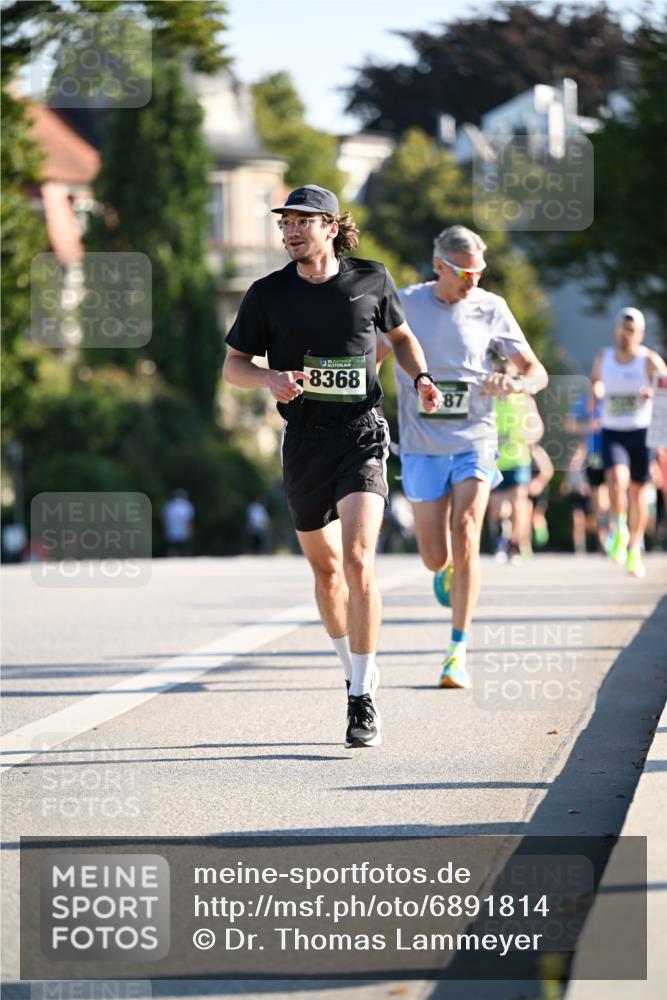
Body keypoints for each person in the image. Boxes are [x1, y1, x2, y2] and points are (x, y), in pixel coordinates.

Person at [223, 184, 442, 748]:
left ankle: (361, 695)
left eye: (300, 222)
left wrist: (420, 378)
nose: (290, 232)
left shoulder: (371, 279)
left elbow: (402, 337)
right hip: (304, 441)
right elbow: (234, 366)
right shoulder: (267, 294)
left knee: (359, 558)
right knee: (325, 571)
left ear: (330, 226)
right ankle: (351, 664)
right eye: (284, 224)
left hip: (363, 433)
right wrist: (269, 378)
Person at [378, 225, 548, 688]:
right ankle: (445, 569)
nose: (473, 280)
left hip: (476, 438)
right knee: (435, 556)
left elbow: (536, 371)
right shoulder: (407, 302)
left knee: (468, 532)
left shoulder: (491, 308)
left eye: (479, 271)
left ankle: (457, 651)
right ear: (439, 266)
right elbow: (373, 355)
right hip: (420, 446)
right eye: (462, 272)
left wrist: (513, 382)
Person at [592, 307, 667, 578]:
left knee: (638, 494)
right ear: (616, 331)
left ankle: (634, 549)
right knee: (615, 481)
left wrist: (653, 392)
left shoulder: (649, 360)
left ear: (641, 333)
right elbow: (596, 384)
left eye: (632, 331)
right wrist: (598, 391)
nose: (627, 336)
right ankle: (619, 528)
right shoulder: (605, 357)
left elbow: (665, 387)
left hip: (641, 433)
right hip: (613, 430)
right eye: (623, 330)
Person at [565, 391, 609, 553]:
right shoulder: (585, 400)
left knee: (617, 493)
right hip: (596, 454)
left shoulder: (617, 395)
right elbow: (569, 424)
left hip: (622, 451)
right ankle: (605, 539)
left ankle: (619, 532)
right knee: (599, 498)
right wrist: (589, 426)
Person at [162, 489, 195, 557]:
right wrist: (190, 529)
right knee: (183, 546)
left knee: (172, 546)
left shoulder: (169, 505)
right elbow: (189, 519)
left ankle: (172, 557)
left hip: (171, 529)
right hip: (183, 530)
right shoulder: (187, 505)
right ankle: (183, 557)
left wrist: (165, 529)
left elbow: (165, 518)